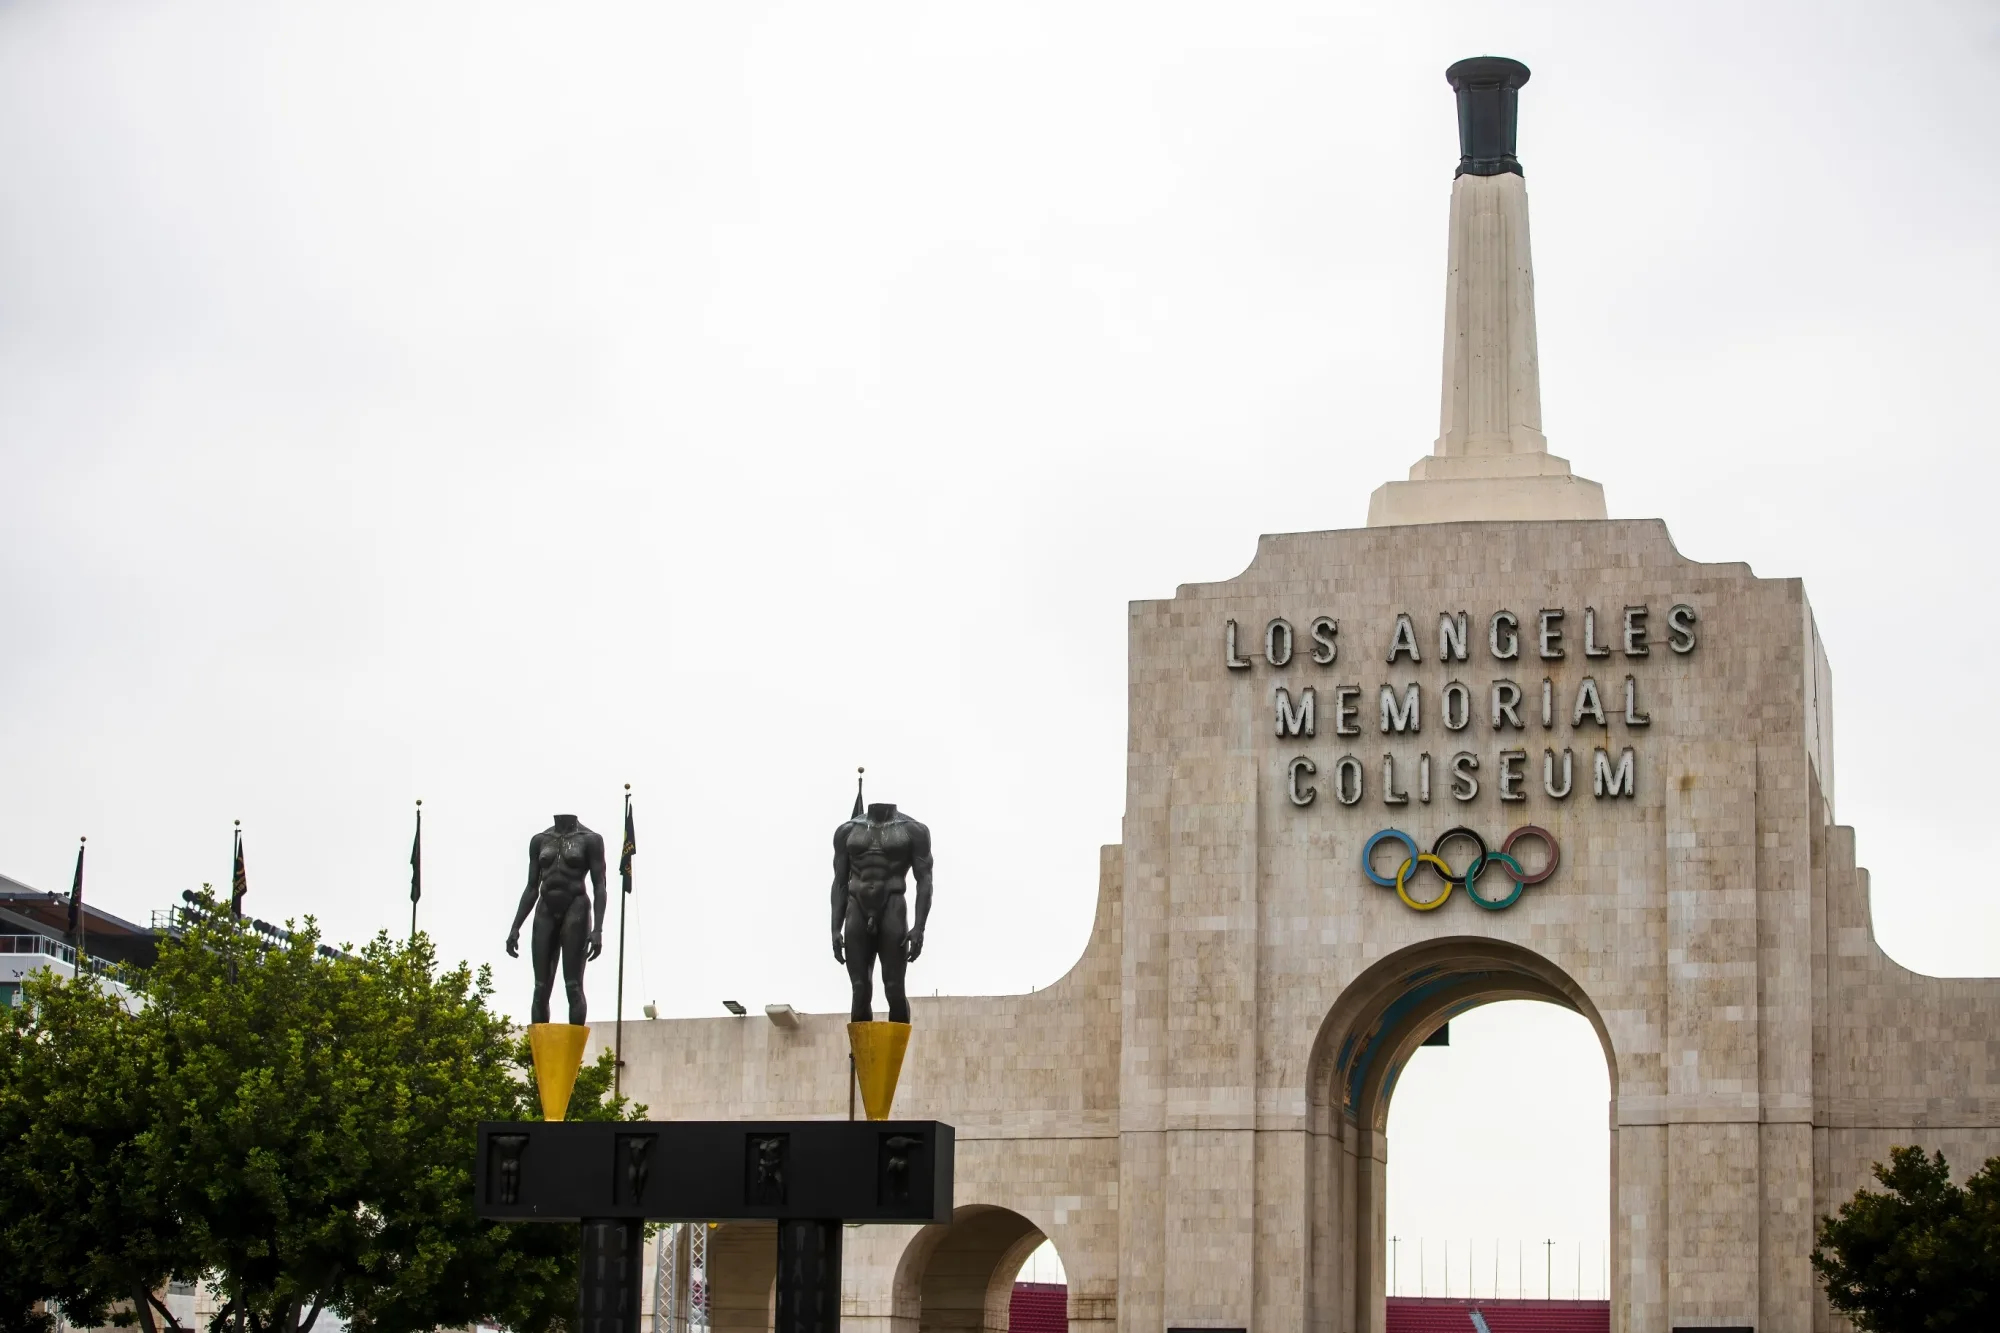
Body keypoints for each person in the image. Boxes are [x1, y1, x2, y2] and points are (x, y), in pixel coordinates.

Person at [831, 800, 933, 1023]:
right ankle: (861, 1057)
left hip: (892, 906)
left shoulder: (913, 831)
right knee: (859, 990)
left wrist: (919, 927)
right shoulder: (847, 831)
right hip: (856, 906)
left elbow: (924, 880)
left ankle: (895, 1057)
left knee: (894, 989)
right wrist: (835, 928)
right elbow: (839, 882)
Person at [506, 813, 607, 1024]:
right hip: (546, 910)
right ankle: (541, 1055)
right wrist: (515, 927)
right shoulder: (540, 840)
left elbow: (600, 886)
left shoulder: (590, 839)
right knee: (540, 989)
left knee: (573, 986)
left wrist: (597, 929)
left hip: (576, 906)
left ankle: (573, 1055)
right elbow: (532, 887)